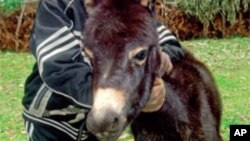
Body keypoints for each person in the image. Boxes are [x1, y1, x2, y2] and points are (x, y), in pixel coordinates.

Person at [22, 0, 184, 141]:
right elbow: (60, 68)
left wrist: (153, 71)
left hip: (99, 122)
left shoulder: (125, 10)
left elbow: (170, 45)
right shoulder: (57, 6)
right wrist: (135, 98)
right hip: (52, 120)